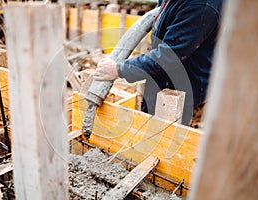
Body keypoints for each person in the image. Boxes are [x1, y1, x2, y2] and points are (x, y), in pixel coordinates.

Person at [94, 0, 223, 126]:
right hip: (161, 75)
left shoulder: (201, 6)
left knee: (168, 139)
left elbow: (168, 56)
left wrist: (119, 69)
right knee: (148, 129)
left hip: (185, 90)